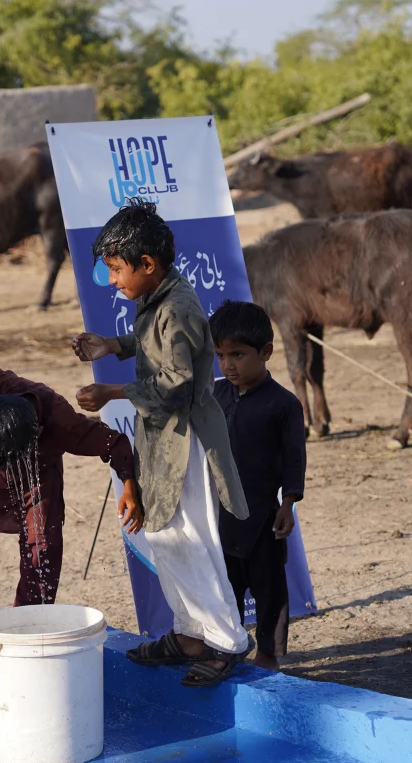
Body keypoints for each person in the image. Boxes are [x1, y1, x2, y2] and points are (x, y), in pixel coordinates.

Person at [72, 198, 251, 687]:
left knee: (190, 539)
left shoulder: (179, 306)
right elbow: (150, 342)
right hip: (161, 435)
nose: (112, 281)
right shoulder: (158, 296)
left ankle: (227, 641)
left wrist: (111, 391)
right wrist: (112, 345)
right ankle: (190, 634)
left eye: (116, 270)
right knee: (163, 535)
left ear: (147, 264)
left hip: (185, 437)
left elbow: (176, 382)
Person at [0, 342, 142, 638]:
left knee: (42, 542)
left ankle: (28, 616)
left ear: (38, 434)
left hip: (37, 479)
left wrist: (129, 486)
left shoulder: (62, 422)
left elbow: (115, 443)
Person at [210, 301, 306, 670]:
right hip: (220, 515)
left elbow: (294, 458)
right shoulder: (213, 396)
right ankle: (228, 647)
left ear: (265, 352)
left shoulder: (284, 404)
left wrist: (288, 503)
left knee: (269, 588)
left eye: (237, 354)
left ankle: (268, 653)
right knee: (224, 586)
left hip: (263, 515)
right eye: (220, 355)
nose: (228, 365)